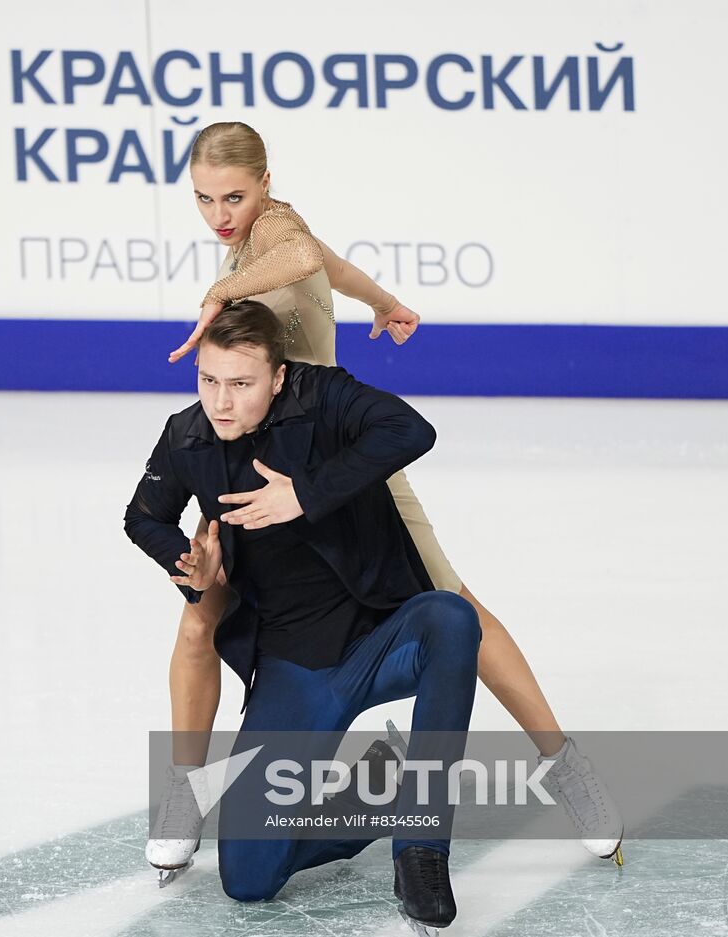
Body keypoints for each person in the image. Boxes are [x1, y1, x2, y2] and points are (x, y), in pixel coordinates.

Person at [144, 122, 622, 879]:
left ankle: (564, 763)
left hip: (339, 463)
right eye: (204, 199)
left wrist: (221, 289)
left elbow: (302, 254)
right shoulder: (257, 233)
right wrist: (384, 299)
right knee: (201, 609)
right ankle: (183, 790)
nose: (219, 214)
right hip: (256, 458)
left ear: (266, 184)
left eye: (233, 195)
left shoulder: (274, 227)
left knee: (453, 600)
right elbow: (323, 263)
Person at [124, 301, 478, 930]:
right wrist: (188, 562)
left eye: (241, 384)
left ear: (278, 376)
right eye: (209, 381)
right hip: (294, 666)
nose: (222, 402)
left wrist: (305, 492)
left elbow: (411, 431)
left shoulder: (324, 397)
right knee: (249, 881)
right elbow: (142, 516)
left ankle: (421, 844)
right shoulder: (188, 435)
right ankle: (379, 797)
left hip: (380, 639)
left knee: (451, 618)